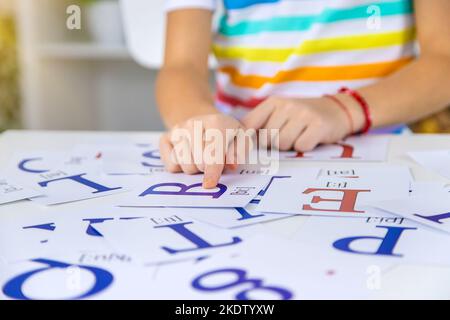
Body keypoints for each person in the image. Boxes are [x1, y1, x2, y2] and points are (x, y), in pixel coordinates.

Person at [156, 0, 450, 188]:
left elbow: (443, 59)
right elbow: (181, 66)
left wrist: (343, 110)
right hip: (241, 157)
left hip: (383, 151)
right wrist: (198, 123)